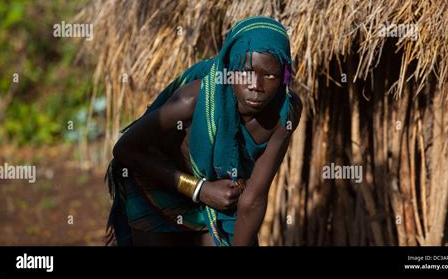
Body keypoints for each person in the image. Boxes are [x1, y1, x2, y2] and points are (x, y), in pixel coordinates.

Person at [106, 16, 302, 246]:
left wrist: (208, 193)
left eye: (270, 75)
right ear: (229, 69)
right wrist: (199, 189)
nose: (256, 86)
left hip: (217, 198)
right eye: (246, 71)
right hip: (157, 182)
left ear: (284, 77)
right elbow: (124, 150)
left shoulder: (285, 112)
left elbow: (253, 198)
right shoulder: (194, 99)